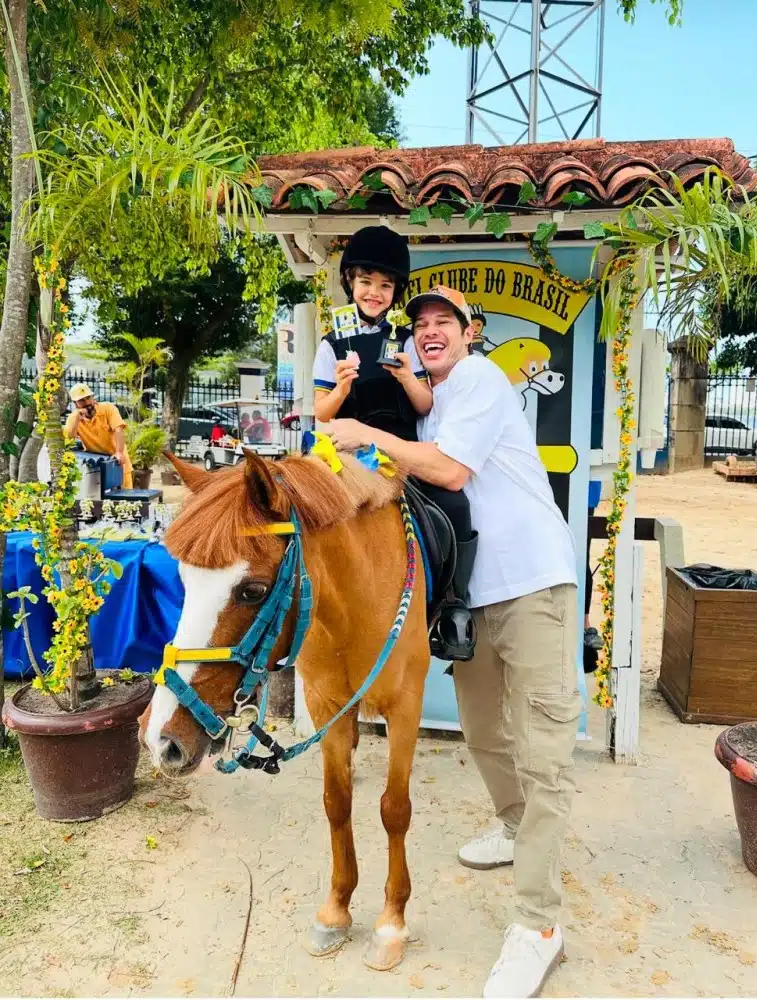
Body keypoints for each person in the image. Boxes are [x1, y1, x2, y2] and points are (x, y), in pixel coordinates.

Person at [327, 284, 580, 999]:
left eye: (445, 322)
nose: (430, 332)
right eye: (421, 325)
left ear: (470, 334)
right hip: (474, 598)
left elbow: (447, 470)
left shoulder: (479, 380)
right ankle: (511, 828)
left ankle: (538, 927)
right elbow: (414, 450)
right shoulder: (437, 401)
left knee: (541, 755)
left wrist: (366, 435)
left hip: (532, 586)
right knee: (482, 734)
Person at [313, 226, 478, 660]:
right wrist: (343, 388)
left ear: (395, 292)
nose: (374, 292)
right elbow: (321, 412)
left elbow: (424, 406)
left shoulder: (405, 340)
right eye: (366, 282)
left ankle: (451, 606)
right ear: (350, 282)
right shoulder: (331, 345)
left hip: (397, 451)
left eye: (385, 286)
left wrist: (407, 375)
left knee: (456, 507)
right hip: (348, 450)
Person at [64, 383, 133, 489]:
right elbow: (70, 437)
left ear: (93, 397)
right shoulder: (74, 418)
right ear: (75, 404)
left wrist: (119, 452)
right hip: (96, 467)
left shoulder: (108, 408)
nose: (87, 403)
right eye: (82, 400)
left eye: (88, 398)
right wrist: (77, 418)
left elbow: (118, 429)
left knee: (126, 500)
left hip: (118, 463)